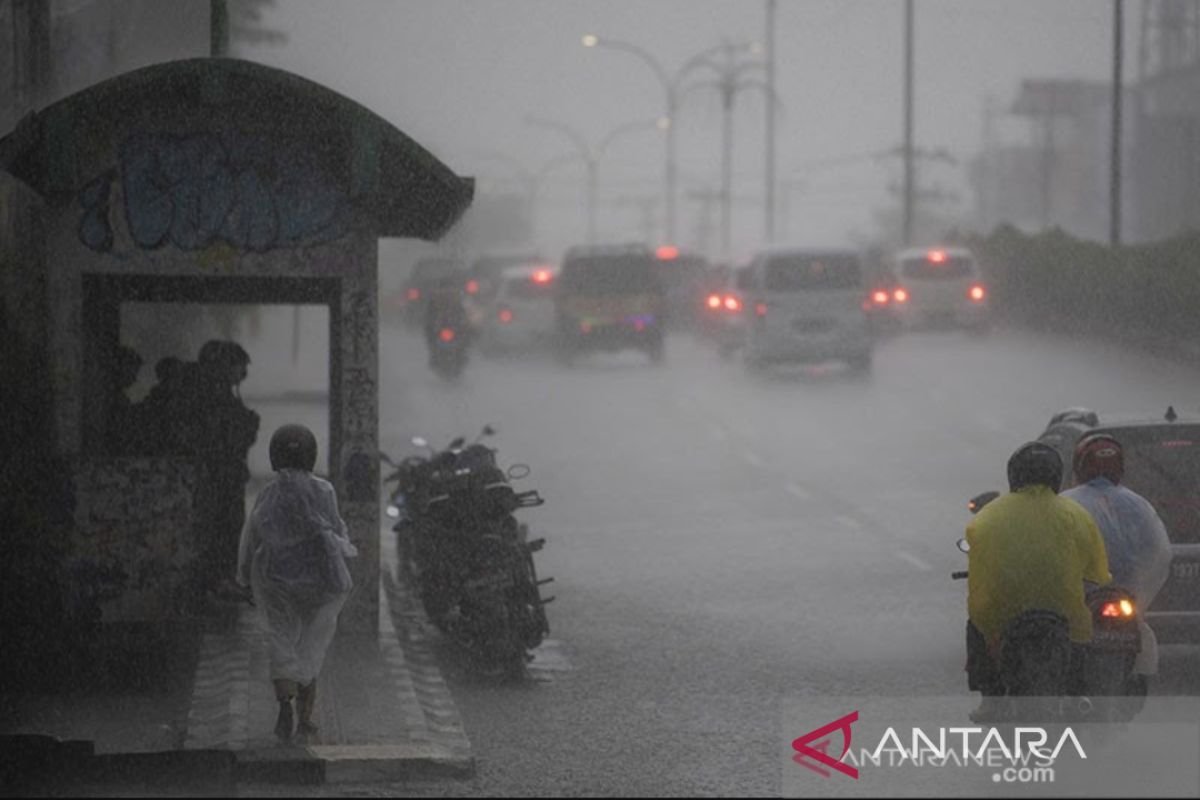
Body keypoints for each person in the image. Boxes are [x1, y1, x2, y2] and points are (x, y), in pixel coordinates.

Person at [964, 441, 1112, 721]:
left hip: (1006, 615)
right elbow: (1098, 573)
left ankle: (990, 699)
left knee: (975, 627)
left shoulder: (987, 518)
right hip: (1066, 614)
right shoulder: (1076, 515)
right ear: (1056, 476)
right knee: (1084, 643)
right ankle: (1079, 694)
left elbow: (980, 577)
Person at [236, 424, 357, 743]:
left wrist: (246, 578)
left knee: (281, 640)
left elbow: (252, 539)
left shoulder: (269, 493)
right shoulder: (324, 491)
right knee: (310, 647)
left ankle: (284, 705)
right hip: (318, 583)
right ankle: (306, 719)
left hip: (275, 581)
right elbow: (335, 530)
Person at [1061, 433, 1173, 686]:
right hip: (1126, 598)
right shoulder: (1139, 505)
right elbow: (1160, 553)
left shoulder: (1065, 504)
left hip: (1082, 599)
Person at [194, 340, 260, 591]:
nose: (243, 373)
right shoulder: (213, 397)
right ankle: (217, 580)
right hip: (218, 477)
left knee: (227, 527)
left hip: (226, 476)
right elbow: (221, 437)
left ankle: (220, 578)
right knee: (221, 528)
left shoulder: (220, 395)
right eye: (238, 366)